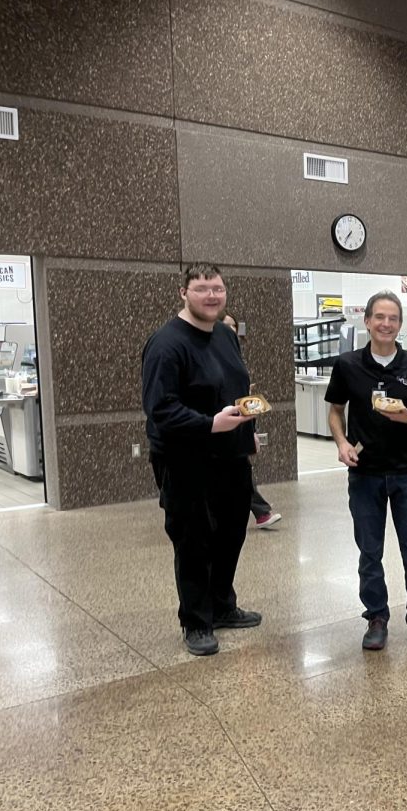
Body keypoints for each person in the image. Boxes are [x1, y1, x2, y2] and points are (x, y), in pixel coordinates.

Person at [141, 264, 263, 657]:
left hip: (231, 457)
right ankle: (195, 621)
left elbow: (235, 388)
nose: (211, 295)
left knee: (231, 534)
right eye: (202, 288)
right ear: (183, 293)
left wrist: (246, 433)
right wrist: (211, 424)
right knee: (193, 541)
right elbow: (160, 409)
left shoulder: (226, 336)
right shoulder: (166, 343)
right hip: (186, 461)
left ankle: (223, 606)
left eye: (218, 288)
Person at [325, 290, 407, 652]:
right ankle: (376, 617)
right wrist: (341, 443)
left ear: (400, 324)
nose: (386, 324)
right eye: (380, 317)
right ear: (367, 321)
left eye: (393, 318)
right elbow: (334, 410)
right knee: (369, 550)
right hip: (365, 475)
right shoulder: (348, 365)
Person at [221, 311, 281, 529]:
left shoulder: (235, 356)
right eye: (225, 326)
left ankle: (261, 512)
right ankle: (261, 511)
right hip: (216, 428)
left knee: (241, 471)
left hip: (238, 426)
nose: (231, 331)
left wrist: (252, 431)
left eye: (233, 326)